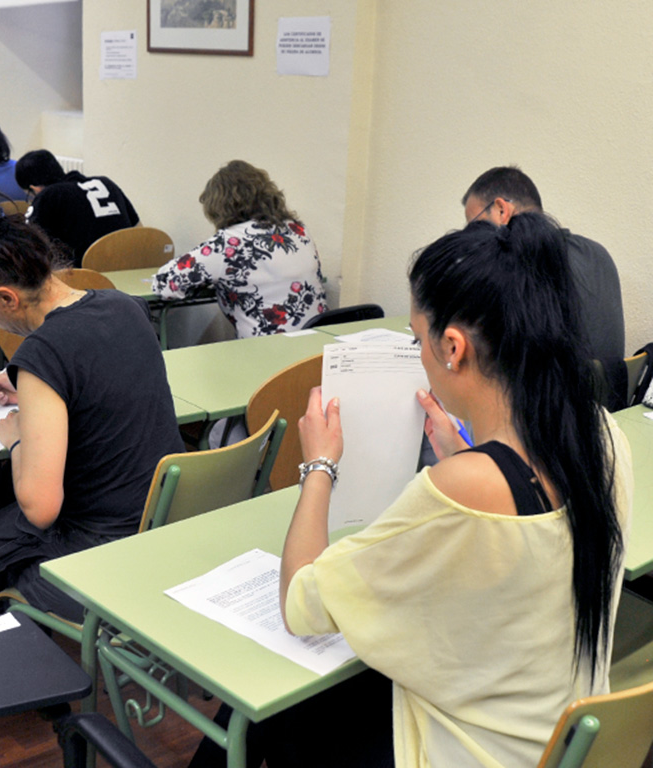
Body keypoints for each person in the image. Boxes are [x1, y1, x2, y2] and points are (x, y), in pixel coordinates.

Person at [215, 212, 630, 768]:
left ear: (453, 347)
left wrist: (318, 464)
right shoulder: (602, 433)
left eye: (417, 340)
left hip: (462, 750)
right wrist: (465, 454)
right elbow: (524, 522)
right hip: (543, 736)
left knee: (265, 699)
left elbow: (300, 603)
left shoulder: (456, 490)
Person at [0, 184, 184, 630]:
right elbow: (97, 373)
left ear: (6, 298)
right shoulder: (124, 306)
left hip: (104, 547)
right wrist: (25, 381)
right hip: (164, 520)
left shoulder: (45, 353)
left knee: (3, 519)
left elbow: (40, 507)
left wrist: (17, 435)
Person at [462, 166, 625, 360]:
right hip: (609, 389)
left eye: (475, 226)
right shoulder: (597, 253)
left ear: (501, 210)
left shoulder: (516, 265)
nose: (472, 238)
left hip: (556, 389)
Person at [152, 160, 327, 338]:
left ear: (219, 206)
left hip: (268, 351)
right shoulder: (297, 229)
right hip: (315, 344)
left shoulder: (229, 243)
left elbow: (166, 283)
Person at [15, 149, 139, 266]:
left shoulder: (48, 195)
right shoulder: (106, 182)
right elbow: (138, 226)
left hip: (82, 276)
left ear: (34, 188)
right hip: (129, 265)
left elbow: (28, 247)